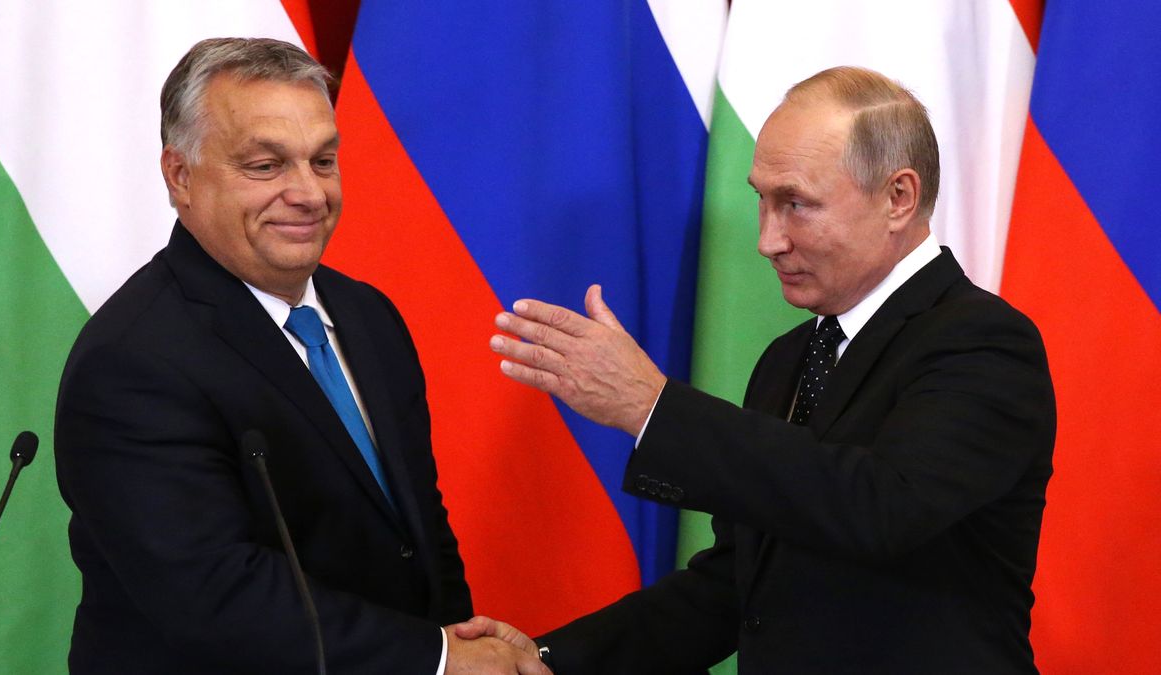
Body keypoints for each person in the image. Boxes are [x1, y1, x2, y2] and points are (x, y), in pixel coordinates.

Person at [476, 66, 1056, 673]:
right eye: (762, 199)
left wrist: (652, 408)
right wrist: (546, 659)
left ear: (898, 197)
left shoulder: (983, 341)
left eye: (796, 204)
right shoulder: (788, 358)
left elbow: (883, 507)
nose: (768, 240)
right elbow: (740, 586)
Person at [54, 37, 547, 675]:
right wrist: (442, 659)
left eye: (322, 160)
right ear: (179, 175)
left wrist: (455, 638)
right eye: (266, 166)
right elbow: (217, 599)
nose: (310, 193)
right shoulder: (131, 361)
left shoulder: (369, 315)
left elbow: (417, 529)